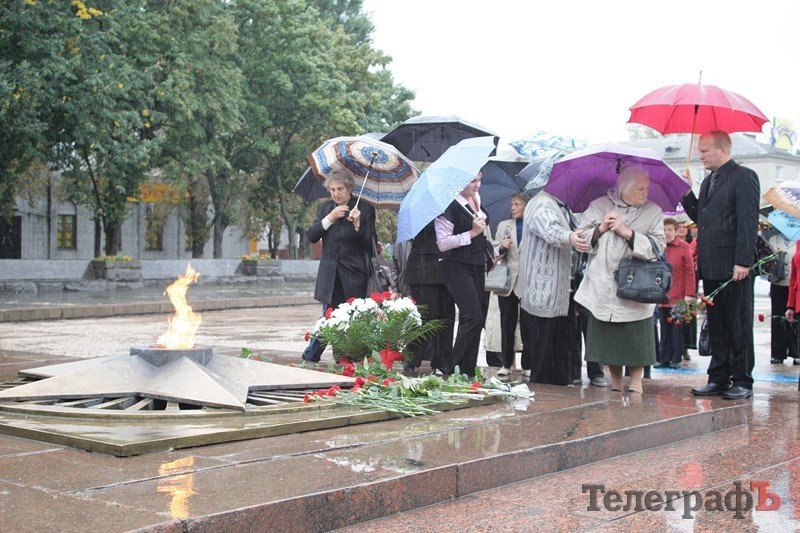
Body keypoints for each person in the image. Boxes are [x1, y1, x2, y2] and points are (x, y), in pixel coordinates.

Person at [681, 131, 760, 400]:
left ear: (723, 149)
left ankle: (742, 380)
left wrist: (743, 261)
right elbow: (701, 217)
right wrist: (686, 192)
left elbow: (748, 222)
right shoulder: (707, 182)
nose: (700, 155)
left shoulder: (744, 177)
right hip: (711, 265)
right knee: (717, 325)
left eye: (704, 151)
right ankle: (718, 377)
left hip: (735, 267)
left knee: (738, 323)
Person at [574, 166, 666, 395]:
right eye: (640, 188)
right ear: (623, 189)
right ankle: (615, 381)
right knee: (610, 336)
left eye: (647, 188)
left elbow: (658, 245)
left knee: (636, 335)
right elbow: (580, 238)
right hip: (603, 281)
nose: (645, 193)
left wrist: (628, 233)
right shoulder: (599, 206)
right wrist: (601, 228)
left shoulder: (653, 211)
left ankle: (636, 381)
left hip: (637, 286)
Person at [301, 169, 376, 362]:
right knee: (329, 315)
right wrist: (330, 218)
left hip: (355, 273)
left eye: (340, 189)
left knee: (353, 317)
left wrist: (358, 224)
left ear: (349, 188)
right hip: (330, 274)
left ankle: (346, 356)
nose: (336, 193)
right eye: (332, 189)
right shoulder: (325, 209)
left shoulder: (365, 209)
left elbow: (371, 244)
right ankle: (313, 354)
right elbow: (312, 235)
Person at [519, 190, 591, 385]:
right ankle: (543, 395)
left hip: (562, 290)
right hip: (543, 290)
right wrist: (570, 237)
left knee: (562, 343)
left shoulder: (562, 205)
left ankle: (561, 385)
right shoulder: (541, 203)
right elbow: (550, 230)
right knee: (544, 347)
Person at [435, 171, 492, 376]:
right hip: (455, 264)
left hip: (476, 262)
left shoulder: (477, 199)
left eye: (479, 180)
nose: (477, 185)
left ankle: (467, 369)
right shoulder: (448, 206)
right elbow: (442, 243)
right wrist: (472, 233)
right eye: (472, 180)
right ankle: (453, 367)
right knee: (472, 315)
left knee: (478, 316)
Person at [403, 222, 456, 373]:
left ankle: (443, 361)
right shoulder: (420, 209)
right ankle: (412, 357)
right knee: (426, 316)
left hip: (447, 266)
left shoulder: (452, 207)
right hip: (423, 267)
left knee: (446, 315)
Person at [487, 193, 529, 376]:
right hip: (508, 282)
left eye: (517, 204)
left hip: (528, 283)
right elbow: (495, 253)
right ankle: (506, 363)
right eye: (511, 204)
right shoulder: (504, 226)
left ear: (526, 206)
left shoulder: (534, 226)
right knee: (507, 323)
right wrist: (502, 247)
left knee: (528, 325)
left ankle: (528, 364)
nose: (513, 207)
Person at [654, 218, 695, 369]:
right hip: (663, 295)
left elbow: (690, 271)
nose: (667, 233)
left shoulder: (684, 247)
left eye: (670, 230)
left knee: (677, 327)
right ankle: (664, 357)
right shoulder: (659, 247)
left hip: (679, 295)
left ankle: (676, 358)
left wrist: (690, 294)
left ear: (676, 231)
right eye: (664, 230)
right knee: (664, 327)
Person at [769, 232, 799, 365]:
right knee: (778, 319)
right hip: (779, 283)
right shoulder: (773, 239)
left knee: (795, 322)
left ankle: (796, 352)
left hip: (795, 287)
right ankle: (778, 352)